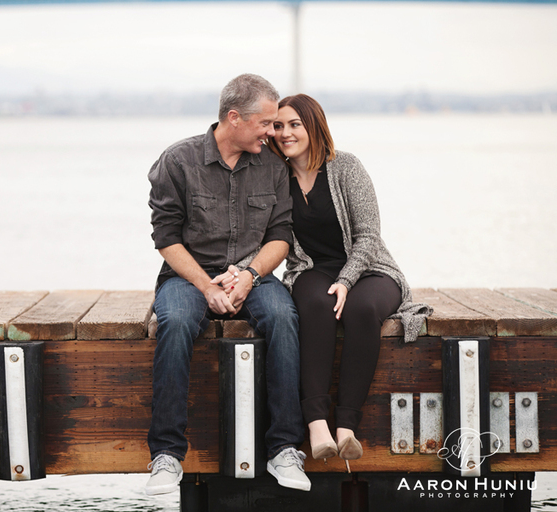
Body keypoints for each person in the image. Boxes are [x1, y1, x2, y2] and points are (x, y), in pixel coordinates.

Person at [145, 74, 310, 495]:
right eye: (266, 123)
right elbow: (166, 238)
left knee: (282, 316)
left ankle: (284, 448)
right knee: (177, 322)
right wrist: (207, 287)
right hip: (190, 276)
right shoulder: (177, 162)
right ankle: (166, 456)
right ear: (233, 118)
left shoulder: (273, 166)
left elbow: (281, 236)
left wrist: (250, 275)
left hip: (254, 275)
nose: (273, 132)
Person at [265, 93, 432, 470]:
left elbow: (369, 236)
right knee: (314, 305)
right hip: (311, 269)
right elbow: (267, 237)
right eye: (279, 125)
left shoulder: (347, 168)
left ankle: (346, 426)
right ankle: (317, 424)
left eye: (295, 124)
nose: (286, 133)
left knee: (362, 308)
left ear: (313, 126)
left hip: (370, 268)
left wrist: (347, 279)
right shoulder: (275, 179)